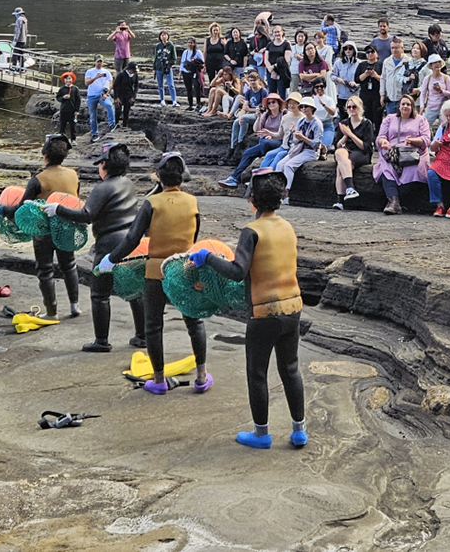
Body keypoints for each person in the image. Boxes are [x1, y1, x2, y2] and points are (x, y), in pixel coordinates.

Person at [194, 180, 307, 448]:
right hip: (293, 308)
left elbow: (237, 271)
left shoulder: (251, 231)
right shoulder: (288, 227)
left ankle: (261, 434)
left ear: (252, 201)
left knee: (257, 373)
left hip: (264, 313)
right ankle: (299, 430)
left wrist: (207, 257)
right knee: (290, 368)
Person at [102, 152, 210, 395]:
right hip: (184, 269)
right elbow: (193, 237)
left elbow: (132, 238)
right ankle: (202, 377)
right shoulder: (193, 202)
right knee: (194, 321)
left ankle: (159, 380)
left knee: (153, 325)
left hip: (156, 271)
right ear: (182, 178)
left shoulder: (152, 203)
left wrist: (112, 258)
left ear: (159, 177)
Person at [46, 142, 143, 353]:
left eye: (100, 164)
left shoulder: (103, 187)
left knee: (100, 294)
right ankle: (142, 336)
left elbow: (86, 215)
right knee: (134, 290)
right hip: (131, 243)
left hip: (109, 243)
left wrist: (58, 209)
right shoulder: (128, 184)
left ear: (105, 165)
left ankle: (102, 341)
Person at [22, 134, 80, 319]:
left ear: (44, 155)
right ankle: (74, 306)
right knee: (69, 265)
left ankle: (51, 312)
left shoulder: (38, 179)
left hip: (44, 231)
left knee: (45, 270)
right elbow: (74, 197)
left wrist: (5, 209)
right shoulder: (73, 174)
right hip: (66, 227)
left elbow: (22, 207)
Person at [374, 94, 430, 215]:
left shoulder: (421, 120)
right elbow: (380, 137)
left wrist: (413, 141)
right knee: (387, 168)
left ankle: (394, 201)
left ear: (413, 107)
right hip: (392, 151)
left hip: (413, 152)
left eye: (408, 104)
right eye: (403, 104)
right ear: (399, 107)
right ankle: (394, 202)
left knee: (414, 170)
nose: (405, 106)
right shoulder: (389, 118)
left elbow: (426, 140)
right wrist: (383, 141)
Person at [222, 93, 287, 188]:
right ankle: (234, 178)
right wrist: (259, 117)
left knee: (265, 142)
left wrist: (272, 135)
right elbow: (256, 130)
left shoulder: (284, 115)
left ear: (279, 103)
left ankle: (261, 156)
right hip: (264, 141)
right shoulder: (266, 115)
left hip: (278, 141)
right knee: (248, 152)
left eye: (274, 102)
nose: (271, 104)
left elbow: (285, 133)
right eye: (269, 103)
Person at [332, 98, 376, 206]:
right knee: (339, 153)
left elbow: (365, 146)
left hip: (361, 152)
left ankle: (340, 200)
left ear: (360, 107)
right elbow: (337, 144)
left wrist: (351, 134)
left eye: (354, 107)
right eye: (349, 107)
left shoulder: (366, 124)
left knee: (340, 167)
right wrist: (345, 136)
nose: (351, 109)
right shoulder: (344, 123)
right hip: (347, 150)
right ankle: (350, 189)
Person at [275, 96, 322, 190]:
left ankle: (286, 192)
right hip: (298, 149)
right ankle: (276, 189)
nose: (304, 109)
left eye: (306, 106)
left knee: (288, 166)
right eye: (302, 107)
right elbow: (294, 140)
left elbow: (316, 144)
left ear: (312, 108)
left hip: (311, 152)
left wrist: (303, 138)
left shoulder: (317, 123)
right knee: (280, 165)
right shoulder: (301, 121)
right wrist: (294, 134)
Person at [420, 54, 450, 130]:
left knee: (445, 129)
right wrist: (422, 106)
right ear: (431, 65)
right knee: (423, 127)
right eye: (435, 62)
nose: (437, 64)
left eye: (439, 62)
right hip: (431, 107)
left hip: (443, 108)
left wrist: (442, 91)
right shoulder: (427, 79)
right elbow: (423, 94)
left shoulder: (446, 78)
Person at [85, 58, 116, 140]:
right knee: (92, 115)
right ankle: (94, 133)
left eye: (101, 61)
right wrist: (95, 78)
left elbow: (110, 84)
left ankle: (112, 124)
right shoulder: (90, 71)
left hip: (102, 95)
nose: (99, 63)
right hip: (92, 95)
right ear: (95, 62)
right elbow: (86, 83)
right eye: (98, 61)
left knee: (109, 105)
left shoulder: (107, 72)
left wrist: (106, 93)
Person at [380, 37, 411, 115]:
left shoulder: (409, 61)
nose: (394, 50)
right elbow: (383, 78)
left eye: (396, 48)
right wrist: (382, 95)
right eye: (392, 48)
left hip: (403, 98)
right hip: (390, 98)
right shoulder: (387, 61)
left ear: (402, 48)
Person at [178, 37, 206, 111]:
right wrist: (180, 72)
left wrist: (195, 61)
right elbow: (182, 62)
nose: (190, 44)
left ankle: (198, 104)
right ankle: (190, 104)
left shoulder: (198, 52)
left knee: (197, 88)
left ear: (194, 43)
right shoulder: (185, 52)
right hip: (186, 72)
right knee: (188, 89)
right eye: (189, 43)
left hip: (194, 72)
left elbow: (202, 62)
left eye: (191, 43)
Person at [153, 30, 179, 108]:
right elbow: (155, 57)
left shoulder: (171, 45)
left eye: (165, 35)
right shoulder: (158, 46)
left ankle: (174, 101)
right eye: (162, 35)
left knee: (170, 85)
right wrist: (154, 68)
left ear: (168, 36)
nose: (163, 37)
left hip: (167, 68)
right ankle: (162, 100)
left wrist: (169, 62)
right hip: (158, 67)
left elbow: (174, 58)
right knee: (160, 85)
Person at [112, 60, 140, 128]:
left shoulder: (135, 75)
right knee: (118, 110)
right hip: (120, 94)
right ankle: (116, 124)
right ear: (129, 69)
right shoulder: (121, 74)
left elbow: (136, 86)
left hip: (129, 95)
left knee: (126, 111)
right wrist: (116, 97)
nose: (134, 72)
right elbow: (115, 86)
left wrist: (134, 96)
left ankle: (125, 125)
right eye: (133, 70)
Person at [55, 72, 81, 141]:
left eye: (69, 78)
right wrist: (63, 97)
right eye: (66, 79)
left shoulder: (75, 89)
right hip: (64, 110)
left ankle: (73, 139)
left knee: (73, 126)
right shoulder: (62, 89)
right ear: (64, 80)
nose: (68, 80)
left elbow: (78, 100)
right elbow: (58, 98)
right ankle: (61, 139)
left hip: (72, 110)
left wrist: (77, 110)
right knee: (62, 126)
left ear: (72, 79)